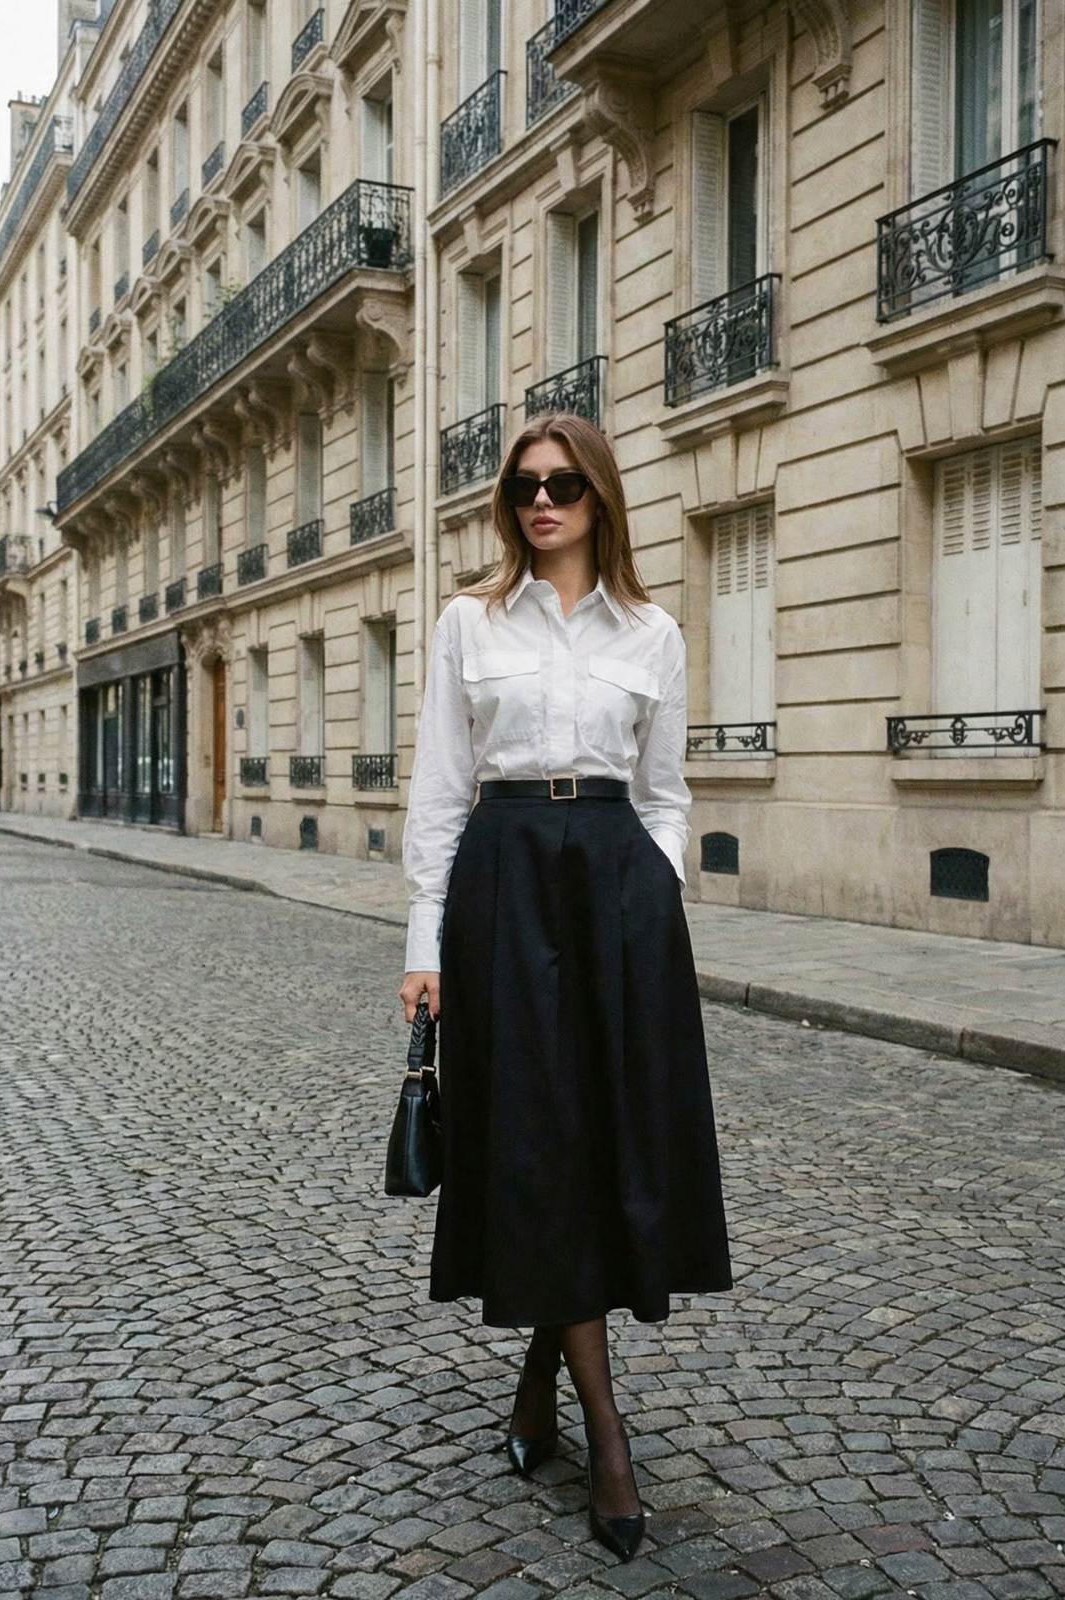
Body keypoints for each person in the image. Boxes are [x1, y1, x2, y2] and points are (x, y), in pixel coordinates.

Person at [399, 413, 731, 1562]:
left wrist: (656, 885)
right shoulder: (468, 621)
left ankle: (542, 1376)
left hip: (616, 897)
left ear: (600, 498)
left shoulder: (653, 632)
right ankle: (607, 1435)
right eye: (525, 487)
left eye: (564, 485)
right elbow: (440, 790)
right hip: (502, 885)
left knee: (602, 1142)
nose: (541, 501)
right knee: (538, 1140)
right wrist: (424, 941)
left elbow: (666, 790)